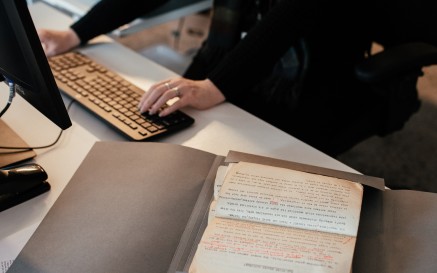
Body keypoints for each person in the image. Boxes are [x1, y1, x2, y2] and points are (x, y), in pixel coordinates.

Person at [39, 0, 437, 156]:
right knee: (159, 142)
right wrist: (77, 33)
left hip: (312, 79)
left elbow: (290, 16)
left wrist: (214, 86)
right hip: (238, 55)